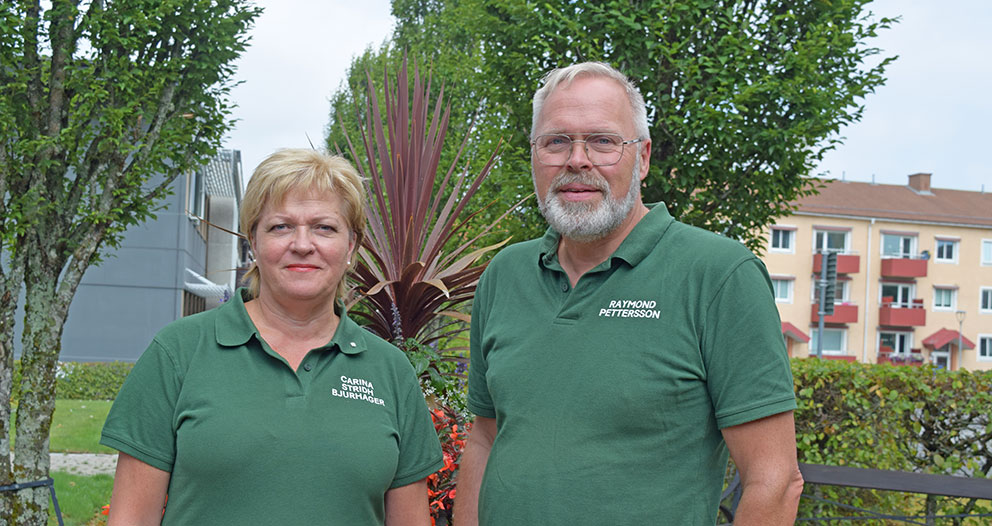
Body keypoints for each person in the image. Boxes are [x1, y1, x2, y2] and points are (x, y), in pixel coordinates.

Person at [454, 63, 804, 525]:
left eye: (603, 141)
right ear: (534, 155)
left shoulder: (719, 275)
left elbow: (774, 480)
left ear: (642, 157)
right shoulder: (506, 274)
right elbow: (485, 437)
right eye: (556, 141)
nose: (577, 160)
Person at [101, 149, 443, 525]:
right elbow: (131, 518)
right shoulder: (178, 352)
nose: (302, 244)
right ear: (254, 241)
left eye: (324, 228)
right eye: (281, 227)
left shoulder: (390, 370)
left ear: (351, 247)